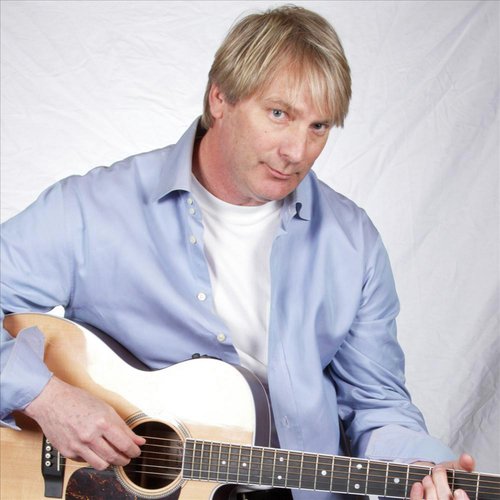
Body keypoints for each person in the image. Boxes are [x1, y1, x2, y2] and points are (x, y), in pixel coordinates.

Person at [0, 5, 475, 500]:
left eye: (318, 127)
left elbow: (376, 404)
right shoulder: (93, 210)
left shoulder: (353, 242)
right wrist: (46, 398)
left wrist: (422, 468)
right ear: (220, 99)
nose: (297, 152)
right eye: (279, 114)